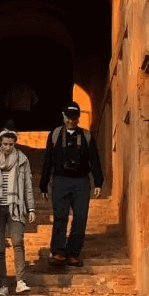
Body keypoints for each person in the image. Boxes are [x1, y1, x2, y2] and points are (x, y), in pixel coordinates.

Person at [39, 101, 104, 267]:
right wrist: (43, 183)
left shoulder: (87, 136)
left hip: (81, 181)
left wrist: (98, 182)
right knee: (60, 217)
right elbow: (48, 160)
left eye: (74, 118)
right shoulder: (54, 135)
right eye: (68, 117)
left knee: (80, 218)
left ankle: (73, 253)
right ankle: (58, 252)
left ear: (78, 118)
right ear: (63, 116)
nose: (71, 121)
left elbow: (94, 160)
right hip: (60, 181)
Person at [0, 124, 36, 295]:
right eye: (5, 144)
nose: (8, 147)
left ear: (15, 143)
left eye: (11, 144)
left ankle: (20, 281)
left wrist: (31, 208)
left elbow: (28, 185)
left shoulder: (23, 160)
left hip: (16, 206)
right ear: (0, 142)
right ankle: (2, 284)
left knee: (18, 242)